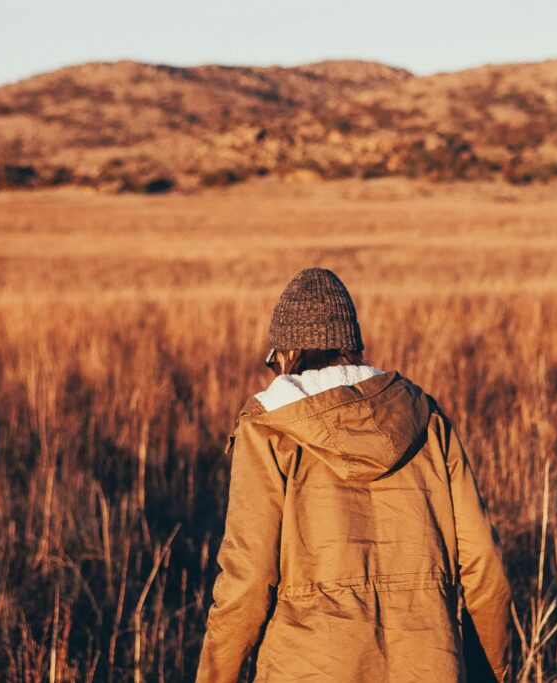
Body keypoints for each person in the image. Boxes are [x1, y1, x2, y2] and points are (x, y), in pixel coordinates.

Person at [196, 268, 512, 682]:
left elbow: (248, 581)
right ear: (352, 349)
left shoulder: (268, 430)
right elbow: (484, 566)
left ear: (287, 355)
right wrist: (486, 673)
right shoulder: (428, 422)